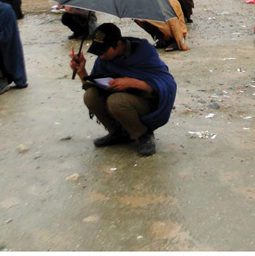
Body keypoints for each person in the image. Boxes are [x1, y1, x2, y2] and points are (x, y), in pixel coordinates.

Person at [70, 23, 177, 156]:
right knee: (90, 96)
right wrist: (82, 72)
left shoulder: (144, 52)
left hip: (147, 101)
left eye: (104, 51)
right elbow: (94, 85)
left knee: (116, 101)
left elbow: (166, 83)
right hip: (123, 100)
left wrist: (132, 82)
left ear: (119, 44)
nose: (101, 56)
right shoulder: (105, 59)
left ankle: (144, 135)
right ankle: (119, 134)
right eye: (98, 51)